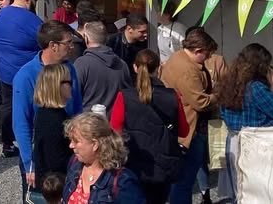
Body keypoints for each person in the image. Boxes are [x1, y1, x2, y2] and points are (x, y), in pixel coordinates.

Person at [13, 21, 83, 198]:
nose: (72, 47)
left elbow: (77, 111)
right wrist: (29, 163)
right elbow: (21, 123)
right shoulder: (26, 75)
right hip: (40, 156)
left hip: (66, 152)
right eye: (68, 43)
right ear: (53, 45)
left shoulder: (70, 70)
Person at [111, 49, 188, 204]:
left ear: (134, 67)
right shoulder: (173, 95)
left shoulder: (124, 96)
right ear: (159, 68)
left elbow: (115, 129)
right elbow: (184, 131)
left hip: (134, 160)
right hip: (163, 161)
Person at [217, 43, 273, 202]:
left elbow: (222, 112)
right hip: (256, 145)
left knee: (237, 191)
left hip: (233, 141)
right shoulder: (256, 88)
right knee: (256, 193)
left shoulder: (227, 83)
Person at [159, 27, 217, 204]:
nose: (208, 59)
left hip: (179, 126)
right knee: (184, 181)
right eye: (207, 55)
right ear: (198, 51)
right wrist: (217, 96)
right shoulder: (188, 69)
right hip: (189, 129)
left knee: (181, 180)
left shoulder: (177, 57)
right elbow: (200, 102)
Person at [0, 0, 42, 159]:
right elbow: (43, 39)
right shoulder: (31, 20)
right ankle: (31, 143)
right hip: (27, 72)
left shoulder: (0, 15)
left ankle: (7, 143)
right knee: (32, 108)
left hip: (4, 69)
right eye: (34, 0)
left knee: (7, 106)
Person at [61, 113, 144, 204]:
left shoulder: (123, 182)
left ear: (95, 145)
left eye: (76, 141)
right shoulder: (74, 163)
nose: (71, 145)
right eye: (71, 141)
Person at [31, 64, 73, 203]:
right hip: (55, 189)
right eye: (68, 81)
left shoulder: (48, 113)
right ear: (57, 86)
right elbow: (55, 161)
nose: (72, 84)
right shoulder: (53, 120)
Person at [73, 21, 132, 115]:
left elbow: (73, 97)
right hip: (114, 124)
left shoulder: (82, 64)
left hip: (88, 123)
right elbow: (128, 96)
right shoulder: (122, 64)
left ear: (86, 38)